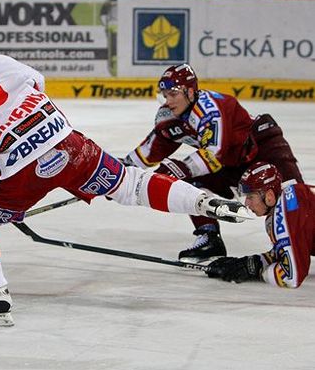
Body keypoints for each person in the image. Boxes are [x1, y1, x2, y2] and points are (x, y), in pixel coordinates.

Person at [0, 37, 250, 327]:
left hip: (17, 174)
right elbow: (37, 83)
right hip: (66, 142)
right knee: (128, 182)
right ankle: (202, 202)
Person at [122, 63, 303, 263]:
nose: (168, 101)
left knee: (294, 197)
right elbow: (151, 150)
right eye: (165, 95)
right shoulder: (170, 116)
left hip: (264, 147)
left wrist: (180, 168)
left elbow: (214, 155)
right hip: (231, 162)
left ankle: (305, 239)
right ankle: (209, 237)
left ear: (190, 91)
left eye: (173, 94)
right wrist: (119, 173)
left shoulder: (210, 109)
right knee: (190, 183)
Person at [207, 162, 314, 288]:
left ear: (269, 196)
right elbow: (285, 253)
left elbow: (290, 276)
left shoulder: (286, 205)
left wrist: (256, 273)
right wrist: (252, 262)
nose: (247, 203)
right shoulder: (288, 203)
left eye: (251, 196)